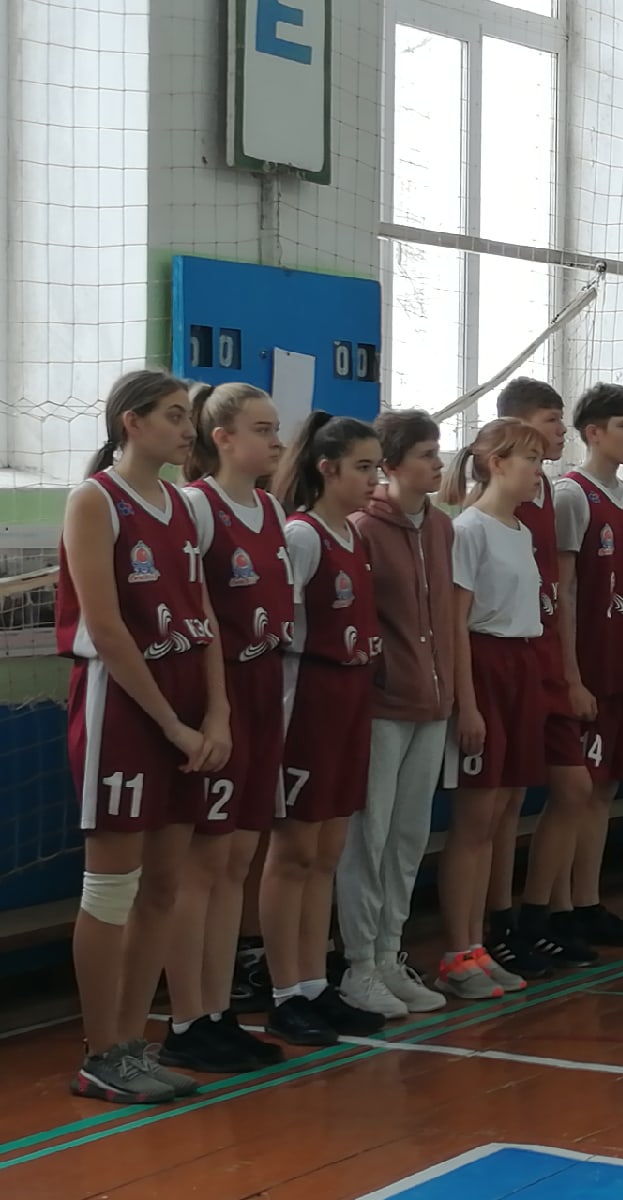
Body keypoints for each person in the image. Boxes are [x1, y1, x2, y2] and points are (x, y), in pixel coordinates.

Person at [57, 371, 230, 1103]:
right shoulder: (94, 500)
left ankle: (131, 1044)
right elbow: (105, 628)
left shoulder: (185, 506)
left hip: (186, 703)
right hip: (124, 709)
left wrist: (218, 714)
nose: (187, 429)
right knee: (111, 888)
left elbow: (205, 615)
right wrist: (170, 723)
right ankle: (100, 1052)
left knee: (164, 883)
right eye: (174, 415)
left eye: (188, 416)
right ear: (131, 422)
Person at [161, 382, 293, 1074]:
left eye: (276, 428)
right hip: (222, 691)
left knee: (238, 863)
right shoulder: (196, 507)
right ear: (223, 438)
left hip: (267, 686)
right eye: (263, 429)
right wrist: (214, 709)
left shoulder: (270, 508)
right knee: (202, 866)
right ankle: (186, 1019)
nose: (276, 441)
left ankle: (218, 1012)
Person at [266, 413, 386, 1045]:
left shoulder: (352, 535)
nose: (373, 480)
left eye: (376, 467)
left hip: (349, 699)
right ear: (327, 468)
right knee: (293, 853)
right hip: (307, 701)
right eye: (363, 467)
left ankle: (314, 984)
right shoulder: (302, 535)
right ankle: (284, 992)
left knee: (327, 854)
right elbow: (278, 631)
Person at [333, 410, 454, 1019]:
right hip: (382, 706)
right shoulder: (362, 528)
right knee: (369, 837)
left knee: (408, 838)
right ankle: (358, 965)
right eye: (427, 453)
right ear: (392, 464)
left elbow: (446, 620)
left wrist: (449, 692)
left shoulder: (442, 527)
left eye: (438, 452)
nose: (438, 462)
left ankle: (388, 954)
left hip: (431, 706)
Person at [434, 419, 554, 1000]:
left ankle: (477, 945)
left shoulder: (521, 530)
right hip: (485, 668)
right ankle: (456, 953)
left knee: (504, 813)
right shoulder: (469, 529)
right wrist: (468, 705)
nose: (540, 471)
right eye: (531, 459)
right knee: (475, 821)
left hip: (523, 666)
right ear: (497, 463)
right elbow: (455, 624)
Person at [550, 384, 623, 948]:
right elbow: (564, 595)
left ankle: (587, 900)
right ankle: (559, 908)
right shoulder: (570, 495)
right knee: (577, 793)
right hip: (589, 668)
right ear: (593, 433)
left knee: (606, 791)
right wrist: (571, 677)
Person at [488, 380, 601, 970]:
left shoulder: (549, 490)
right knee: (502, 805)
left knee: (573, 788)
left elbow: (562, 592)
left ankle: (539, 916)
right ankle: (500, 924)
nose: (561, 431)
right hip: (509, 659)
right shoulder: (487, 506)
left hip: (549, 658)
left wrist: (572, 673)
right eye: (551, 420)